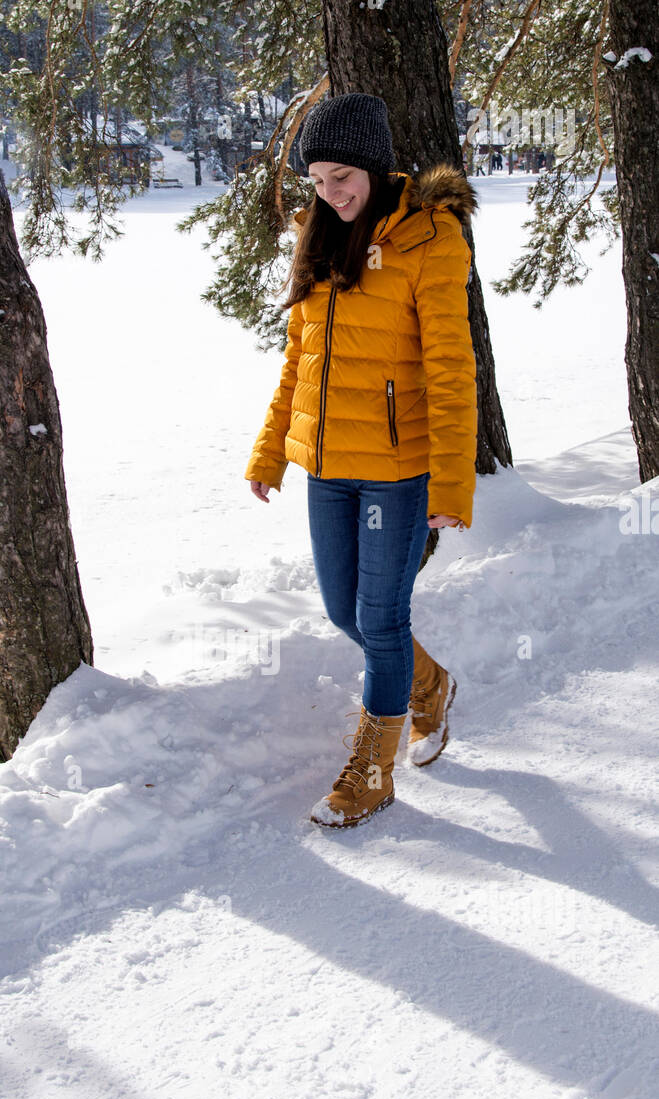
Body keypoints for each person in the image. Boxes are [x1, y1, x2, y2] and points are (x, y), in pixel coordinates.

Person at [244, 92, 478, 828]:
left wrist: (450, 481)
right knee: (343, 611)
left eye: (340, 176)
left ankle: (372, 773)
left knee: (379, 620)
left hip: (395, 466)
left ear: (373, 167)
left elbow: (448, 368)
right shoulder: (317, 237)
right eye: (315, 181)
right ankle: (428, 683)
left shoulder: (428, 240)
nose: (330, 193)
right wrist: (269, 450)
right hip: (325, 465)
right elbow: (298, 361)